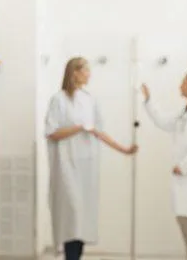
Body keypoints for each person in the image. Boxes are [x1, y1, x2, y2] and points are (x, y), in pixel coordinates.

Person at [45, 57, 138, 260]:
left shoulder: (90, 99)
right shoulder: (59, 99)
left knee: (82, 220)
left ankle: (76, 257)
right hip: (66, 167)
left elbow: (98, 132)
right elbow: (52, 132)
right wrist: (78, 128)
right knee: (73, 216)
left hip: (87, 166)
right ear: (74, 73)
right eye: (86, 70)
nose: (89, 74)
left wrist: (124, 149)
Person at [141, 72, 187, 260]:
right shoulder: (186, 111)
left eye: (184, 83)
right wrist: (149, 100)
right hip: (184, 174)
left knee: (186, 218)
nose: (180, 85)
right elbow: (163, 121)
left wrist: (185, 166)